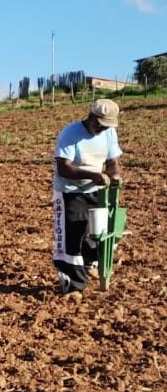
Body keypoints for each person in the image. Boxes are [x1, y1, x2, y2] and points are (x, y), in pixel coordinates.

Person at [53, 99, 123, 295]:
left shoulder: (108, 132)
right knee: (73, 236)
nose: (102, 130)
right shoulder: (70, 134)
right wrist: (93, 175)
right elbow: (63, 168)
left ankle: (89, 262)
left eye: (106, 126)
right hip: (69, 191)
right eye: (100, 125)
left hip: (96, 189)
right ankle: (74, 286)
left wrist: (114, 175)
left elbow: (112, 161)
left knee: (107, 230)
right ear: (91, 117)